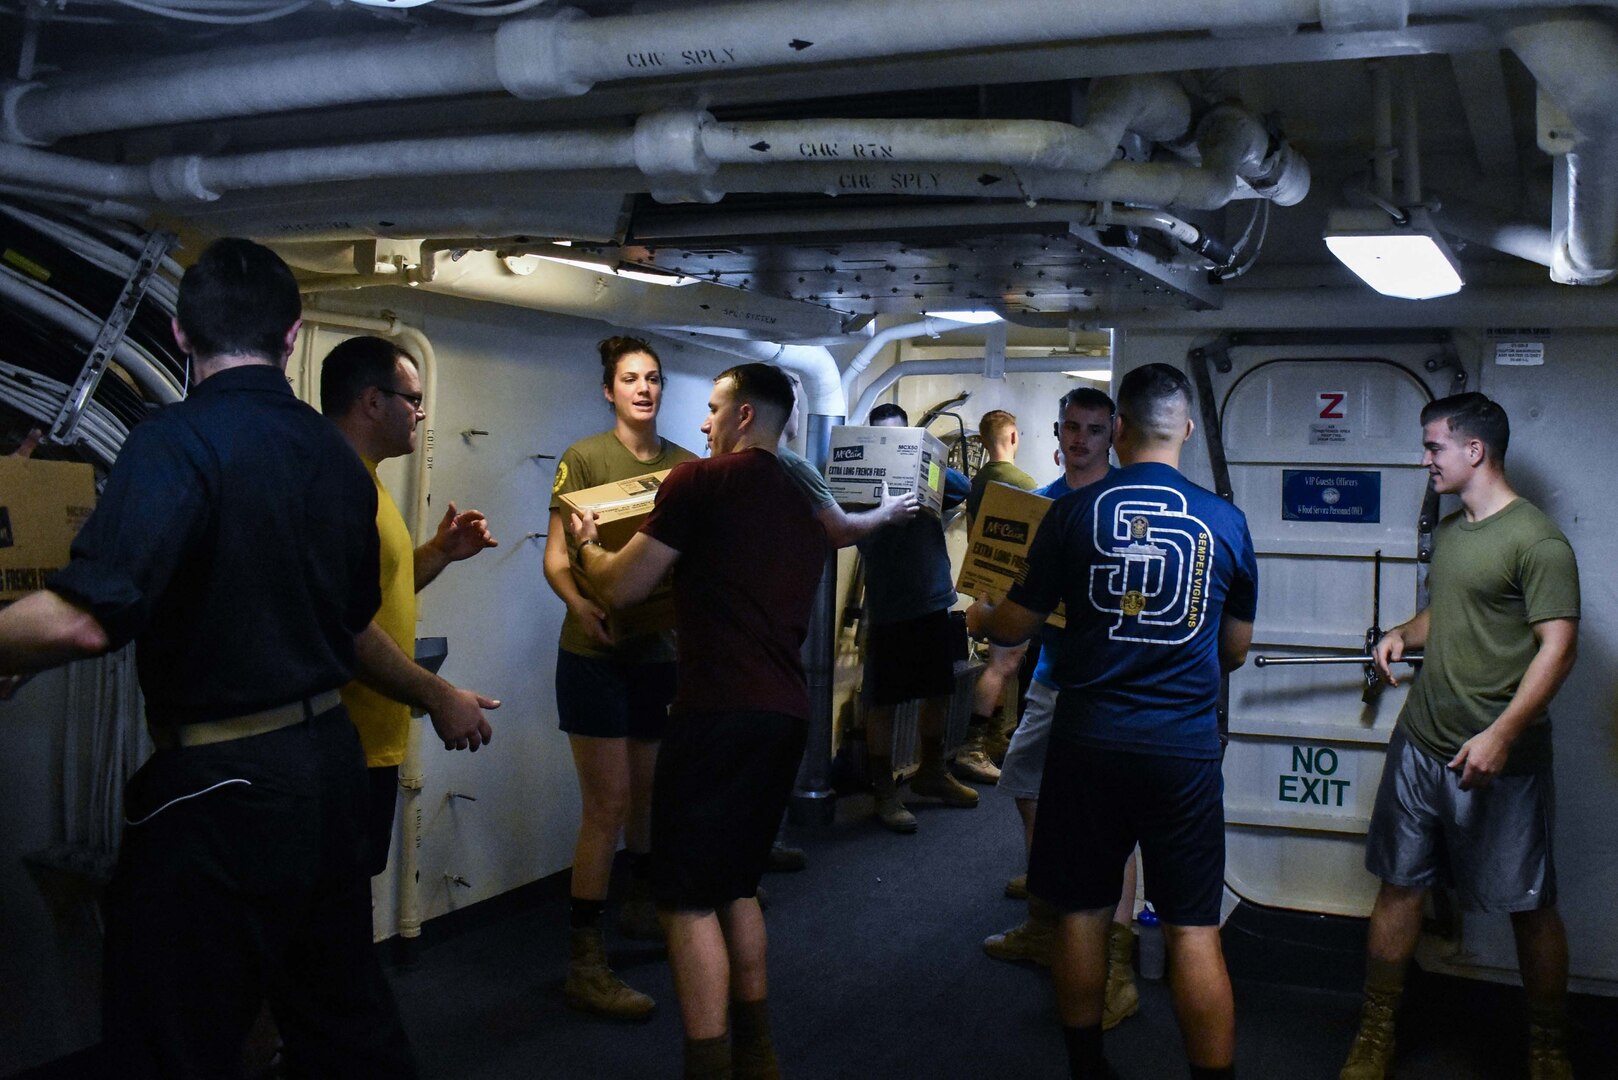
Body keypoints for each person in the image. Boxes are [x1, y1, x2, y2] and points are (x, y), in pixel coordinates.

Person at [0, 238, 495, 1078]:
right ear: (293, 336)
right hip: (327, 769)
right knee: (344, 1016)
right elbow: (344, 622)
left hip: (220, 788)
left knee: (172, 1034)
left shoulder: (172, 442)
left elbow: (87, 624)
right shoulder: (338, 465)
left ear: (179, 334)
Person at [967, 363, 1258, 1080]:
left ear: (1118, 431)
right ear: (1186, 429)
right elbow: (1236, 650)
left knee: (1084, 912)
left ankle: (1089, 1067)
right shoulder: (1226, 522)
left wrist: (984, 610)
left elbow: (1015, 624)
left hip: (1090, 740)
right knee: (1193, 928)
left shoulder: (1069, 515)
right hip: (1182, 750)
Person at [568, 362, 830, 1080]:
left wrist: (588, 542)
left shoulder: (698, 482)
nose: (705, 424)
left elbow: (624, 587)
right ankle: (758, 1054)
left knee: (684, 902)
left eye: (714, 410)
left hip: (716, 714)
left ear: (744, 416)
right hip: (784, 714)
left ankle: (708, 1065)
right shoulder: (804, 503)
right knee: (737, 887)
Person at [1340, 393, 1579, 1080]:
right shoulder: (1453, 533)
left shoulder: (1537, 540)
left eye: (1434, 447)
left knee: (1529, 907)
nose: (1426, 459)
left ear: (1474, 450)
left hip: (1501, 754)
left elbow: (1557, 649)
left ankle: (1549, 1046)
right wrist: (1398, 634)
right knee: (1398, 887)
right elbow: (1445, 612)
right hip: (1422, 743)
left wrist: (1503, 735)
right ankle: (1376, 1031)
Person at [542, 335, 698, 1019]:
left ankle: (640, 907)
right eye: (631, 378)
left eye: (654, 378)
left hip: (656, 654)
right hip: (594, 656)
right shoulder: (584, 459)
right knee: (605, 807)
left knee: (648, 802)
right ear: (609, 390)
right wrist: (583, 603)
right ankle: (585, 959)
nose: (644, 388)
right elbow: (556, 559)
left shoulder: (686, 470)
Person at [983, 387, 1141, 1032]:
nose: (1081, 439)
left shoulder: (1129, 504)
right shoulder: (1041, 504)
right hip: (1051, 677)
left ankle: (1117, 968)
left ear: (1114, 436)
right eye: (1072, 428)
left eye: (1094, 429)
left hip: (1108, 685)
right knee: (1023, 782)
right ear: (1058, 431)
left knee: (1112, 821)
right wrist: (989, 608)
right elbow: (996, 594)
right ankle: (1047, 921)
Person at [320, 334, 499, 877]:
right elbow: (339, 624)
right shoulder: (333, 487)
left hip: (369, 737)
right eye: (412, 399)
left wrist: (440, 553)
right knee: (332, 908)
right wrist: (439, 696)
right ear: (373, 401)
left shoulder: (364, 483)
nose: (421, 413)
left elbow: (369, 594)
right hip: (342, 742)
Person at [857, 401, 978, 833]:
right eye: (885, 438)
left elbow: (966, 488)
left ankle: (930, 771)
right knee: (884, 700)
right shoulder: (862, 481)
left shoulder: (929, 476)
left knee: (939, 691)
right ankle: (883, 790)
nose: (894, 445)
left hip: (933, 599)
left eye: (902, 438)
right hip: (890, 607)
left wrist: (926, 460)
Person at [957, 408, 1039, 783]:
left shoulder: (977, 482)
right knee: (1003, 665)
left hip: (988, 586)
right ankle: (972, 748)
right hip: (1013, 589)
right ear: (1013, 437)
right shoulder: (1021, 482)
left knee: (1003, 661)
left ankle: (991, 739)